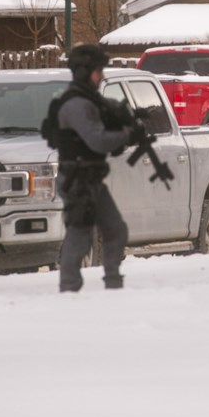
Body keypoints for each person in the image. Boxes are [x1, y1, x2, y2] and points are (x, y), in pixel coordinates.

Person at [51, 44, 142, 292]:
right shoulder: (76, 105)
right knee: (79, 236)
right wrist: (125, 134)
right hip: (77, 182)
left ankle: (113, 283)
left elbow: (106, 127)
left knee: (115, 230)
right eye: (97, 71)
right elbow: (97, 140)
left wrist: (128, 123)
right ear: (83, 73)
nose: (101, 76)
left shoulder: (89, 101)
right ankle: (69, 290)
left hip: (90, 179)